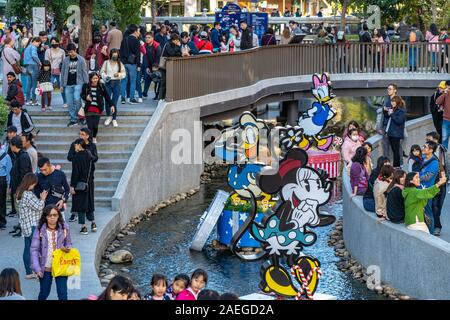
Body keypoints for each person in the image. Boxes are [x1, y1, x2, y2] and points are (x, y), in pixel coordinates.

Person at [31, 205, 72, 300]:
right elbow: (34, 250)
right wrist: (37, 268)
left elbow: (69, 243)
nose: (52, 217)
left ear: (58, 216)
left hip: (61, 266)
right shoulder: (40, 229)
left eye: (55, 215)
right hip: (45, 267)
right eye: (49, 215)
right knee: (44, 293)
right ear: (45, 217)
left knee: (63, 294)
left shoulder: (64, 228)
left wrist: (67, 248)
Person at [16, 173, 46, 278]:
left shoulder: (20, 192)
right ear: (31, 183)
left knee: (27, 248)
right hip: (32, 225)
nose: (34, 186)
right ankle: (35, 270)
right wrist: (43, 198)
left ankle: (29, 272)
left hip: (25, 225)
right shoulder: (28, 194)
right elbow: (38, 207)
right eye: (34, 184)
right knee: (35, 249)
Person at [69, 138, 96, 234]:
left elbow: (75, 173)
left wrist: (72, 186)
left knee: (81, 205)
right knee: (89, 203)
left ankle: (84, 227)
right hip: (88, 183)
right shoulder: (89, 155)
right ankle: (93, 223)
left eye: (75, 145)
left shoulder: (76, 157)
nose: (74, 147)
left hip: (79, 184)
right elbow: (92, 168)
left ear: (79, 145)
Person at [426, 132, 449, 236]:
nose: (426, 142)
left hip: (442, 181)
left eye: (429, 140)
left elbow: (447, 164)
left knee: (439, 205)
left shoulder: (442, 150)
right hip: (432, 182)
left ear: (435, 140)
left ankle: (435, 223)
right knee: (434, 205)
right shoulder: (426, 151)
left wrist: (447, 177)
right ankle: (437, 226)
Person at [81, 73, 114, 143]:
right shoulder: (86, 86)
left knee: (95, 125)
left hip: (97, 109)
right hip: (88, 108)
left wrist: (112, 105)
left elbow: (107, 97)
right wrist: (86, 97)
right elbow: (82, 94)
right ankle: (89, 139)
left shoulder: (101, 86)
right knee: (90, 126)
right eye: (93, 79)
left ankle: (94, 137)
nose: (95, 80)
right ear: (90, 79)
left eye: (96, 78)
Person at [61, 43, 89, 127]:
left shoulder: (81, 60)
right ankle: (73, 119)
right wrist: (62, 85)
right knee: (69, 102)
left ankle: (80, 117)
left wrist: (87, 84)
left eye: (72, 52)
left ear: (75, 50)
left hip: (78, 83)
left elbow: (85, 72)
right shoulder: (65, 60)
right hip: (68, 84)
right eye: (69, 52)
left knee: (77, 99)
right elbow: (63, 73)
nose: (70, 54)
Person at [101, 49, 126, 127]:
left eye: (116, 55)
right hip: (108, 83)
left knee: (114, 102)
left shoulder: (120, 63)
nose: (115, 56)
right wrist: (105, 76)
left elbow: (124, 73)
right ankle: (109, 116)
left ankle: (114, 118)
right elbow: (102, 71)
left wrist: (118, 74)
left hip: (117, 83)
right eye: (113, 55)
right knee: (107, 101)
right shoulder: (106, 62)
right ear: (110, 55)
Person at [419, 141, 440, 234]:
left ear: (431, 150)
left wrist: (416, 178)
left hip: (427, 190)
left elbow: (428, 177)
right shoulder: (422, 158)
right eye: (423, 146)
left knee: (428, 211)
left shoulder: (435, 162)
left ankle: (431, 233)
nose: (423, 148)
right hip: (418, 189)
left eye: (425, 147)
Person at [10, 136, 32, 219]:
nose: (10, 147)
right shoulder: (18, 155)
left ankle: (22, 229)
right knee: (20, 210)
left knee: (22, 211)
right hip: (18, 188)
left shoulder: (23, 156)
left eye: (11, 145)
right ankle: (20, 226)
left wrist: (20, 189)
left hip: (22, 189)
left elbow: (24, 175)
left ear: (14, 146)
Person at [119, 24, 141, 105]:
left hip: (123, 63)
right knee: (132, 81)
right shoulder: (136, 40)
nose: (139, 32)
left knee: (123, 81)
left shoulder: (125, 39)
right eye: (138, 31)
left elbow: (120, 52)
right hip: (132, 64)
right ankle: (131, 98)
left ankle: (122, 99)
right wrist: (138, 65)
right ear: (135, 31)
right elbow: (138, 54)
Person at [159, 33, 182, 101]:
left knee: (168, 82)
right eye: (177, 40)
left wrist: (178, 50)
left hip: (170, 67)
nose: (178, 42)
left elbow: (179, 54)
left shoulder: (173, 45)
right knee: (163, 82)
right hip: (164, 67)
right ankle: (160, 98)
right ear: (174, 40)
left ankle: (165, 97)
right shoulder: (168, 44)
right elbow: (171, 53)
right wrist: (178, 47)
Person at [386, 96, 406, 168]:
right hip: (391, 133)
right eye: (392, 101)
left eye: (394, 101)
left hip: (396, 134)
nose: (392, 103)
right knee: (394, 151)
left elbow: (399, 121)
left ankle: (396, 166)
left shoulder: (401, 111)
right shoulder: (393, 109)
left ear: (397, 102)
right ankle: (396, 166)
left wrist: (391, 114)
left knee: (396, 151)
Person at [23, 37, 42, 106]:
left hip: (27, 66)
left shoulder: (27, 47)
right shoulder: (33, 47)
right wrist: (39, 62)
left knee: (29, 84)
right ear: (34, 42)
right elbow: (34, 56)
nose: (38, 45)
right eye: (38, 43)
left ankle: (28, 100)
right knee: (34, 84)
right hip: (33, 66)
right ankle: (34, 100)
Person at [435, 80, 450, 149]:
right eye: (448, 88)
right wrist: (444, 93)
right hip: (446, 120)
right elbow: (437, 101)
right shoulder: (445, 94)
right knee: (444, 139)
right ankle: (445, 158)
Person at [0, 143, 12, 230]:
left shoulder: (5, 155)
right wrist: (9, 183)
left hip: (2, 179)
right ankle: (2, 221)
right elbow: (9, 170)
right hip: (2, 179)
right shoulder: (6, 156)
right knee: (2, 200)